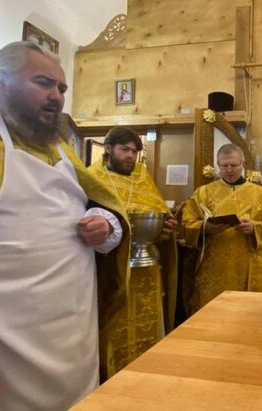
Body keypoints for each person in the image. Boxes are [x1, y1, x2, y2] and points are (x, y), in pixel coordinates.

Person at [0, 41, 130, 410]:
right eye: (43, 83)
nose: (57, 97)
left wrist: (107, 226)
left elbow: (98, 208)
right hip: (1, 352)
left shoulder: (57, 147)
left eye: (61, 88)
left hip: (72, 340)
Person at [87, 126, 179, 379]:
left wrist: (165, 231)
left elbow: (160, 216)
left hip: (147, 273)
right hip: (109, 272)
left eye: (135, 151)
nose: (131, 156)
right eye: (124, 150)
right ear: (108, 149)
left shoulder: (144, 180)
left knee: (148, 331)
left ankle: (149, 377)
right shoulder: (90, 179)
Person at [181, 144, 262, 314]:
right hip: (213, 266)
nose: (229, 170)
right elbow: (186, 223)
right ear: (218, 165)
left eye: (234, 165)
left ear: (242, 164)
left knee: (247, 316)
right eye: (224, 166)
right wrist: (206, 227)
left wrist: (254, 229)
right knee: (214, 316)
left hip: (249, 266)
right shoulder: (203, 193)